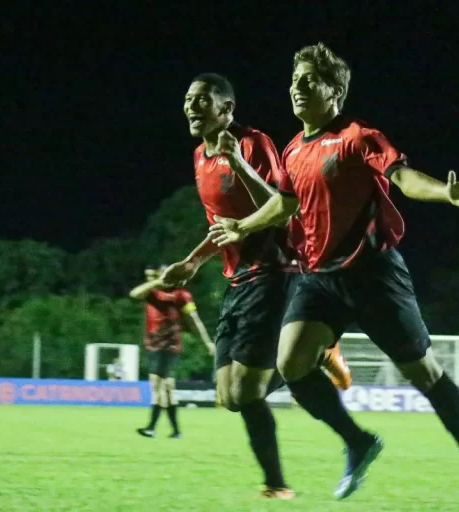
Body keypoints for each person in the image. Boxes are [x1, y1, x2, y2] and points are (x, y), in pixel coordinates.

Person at [208, 43, 459, 509]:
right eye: (294, 81)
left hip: (373, 274)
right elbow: (285, 204)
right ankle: (358, 441)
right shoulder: (293, 149)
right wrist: (242, 224)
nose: (297, 89)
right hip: (319, 278)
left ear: (335, 91)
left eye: (309, 82)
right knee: (291, 365)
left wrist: (446, 191)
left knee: (425, 375)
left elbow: (402, 178)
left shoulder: (360, 136)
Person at [160, 73, 350, 499]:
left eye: (202, 100)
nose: (191, 106)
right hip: (238, 280)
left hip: (278, 271)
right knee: (231, 396)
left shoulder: (253, 143)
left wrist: (239, 164)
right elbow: (219, 225)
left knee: (247, 389)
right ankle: (311, 357)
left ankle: (276, 482)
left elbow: (282, 208)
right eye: (188, 98)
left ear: (226, 109)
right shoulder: (198, 157)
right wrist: (192, 261)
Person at [129, 264, 215, 439]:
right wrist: (156, 282)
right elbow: (134, 294)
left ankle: (151, 428)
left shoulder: (181, 295)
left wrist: (207, 342)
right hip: (153, 344)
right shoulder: (152, 293)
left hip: (168, 345)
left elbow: (194, 320)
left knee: (157, 385)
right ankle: (176, 431)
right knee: (167, 388)